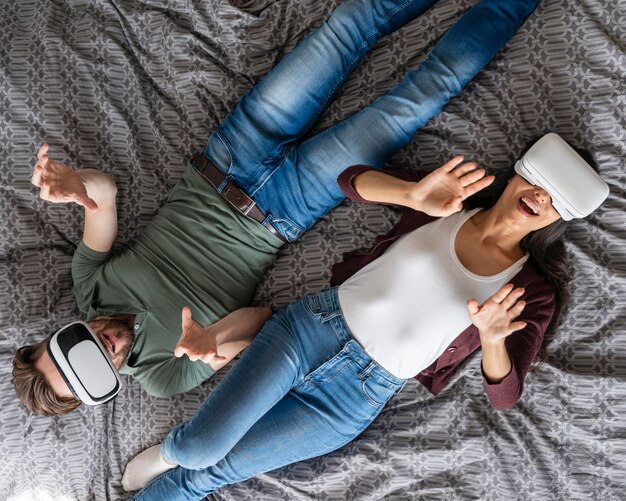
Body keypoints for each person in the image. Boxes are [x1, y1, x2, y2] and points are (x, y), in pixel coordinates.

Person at [12, 0, 541, 416]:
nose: (101, 348)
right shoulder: (162, 376)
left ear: (63, 331)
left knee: (353, 22)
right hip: (285, 210)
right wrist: (211, 340)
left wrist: (77, 185)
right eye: (93, 372)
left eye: (76, 345)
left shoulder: (90, 284)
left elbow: (102, 198)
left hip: (227, 155)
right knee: (423, 96)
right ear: (103, 388)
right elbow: (261, 317)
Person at [121, 126, 610, 497]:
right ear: (522, 169)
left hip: (356, 397)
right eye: (541, 181)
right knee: (196, 450)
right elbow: (350, 181)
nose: (540, 198)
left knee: (213, 474)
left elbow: (504, 396)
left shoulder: (534, 289)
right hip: (312, 330)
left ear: (561, 217)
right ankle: (170, 452)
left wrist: (491, 337)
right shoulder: (451, 198)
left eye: (557, 201)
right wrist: (412, 194)